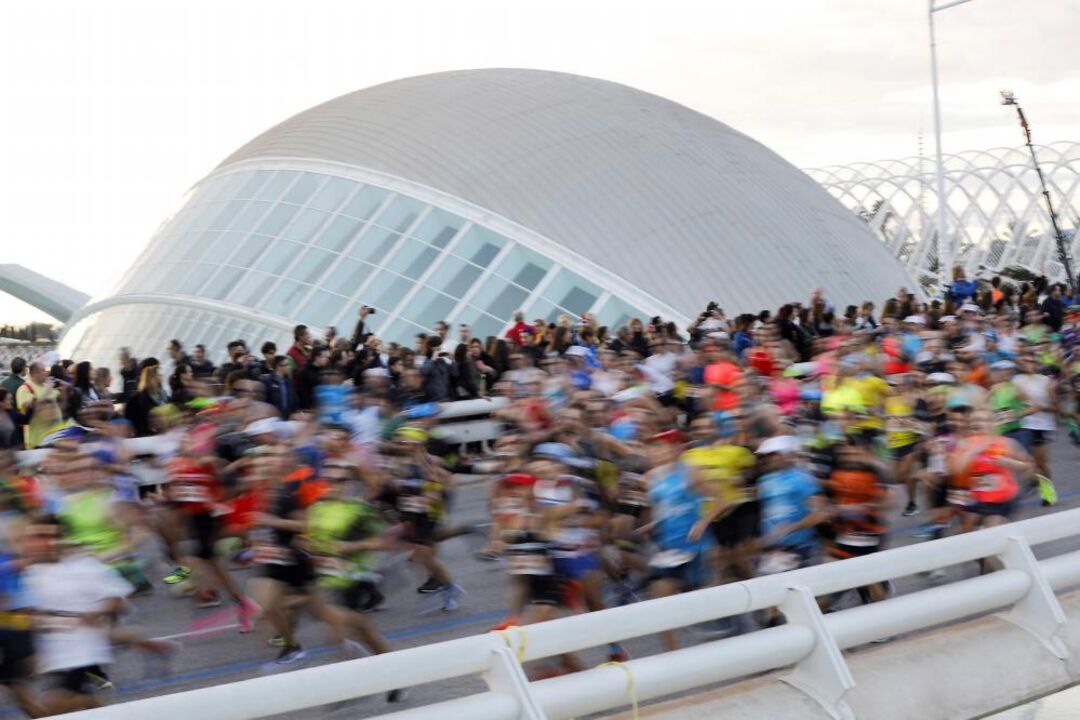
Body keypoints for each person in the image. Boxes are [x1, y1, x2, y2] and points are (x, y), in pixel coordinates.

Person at [15, 362, 64, 450]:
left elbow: (60, 401)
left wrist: (64, 388)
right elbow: (33, 407)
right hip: (38, 440)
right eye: (43, 370)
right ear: (34, 374)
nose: (47, 373)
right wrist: (47, 392)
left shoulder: (47, 386)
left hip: (55, 435)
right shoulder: (25, 389)